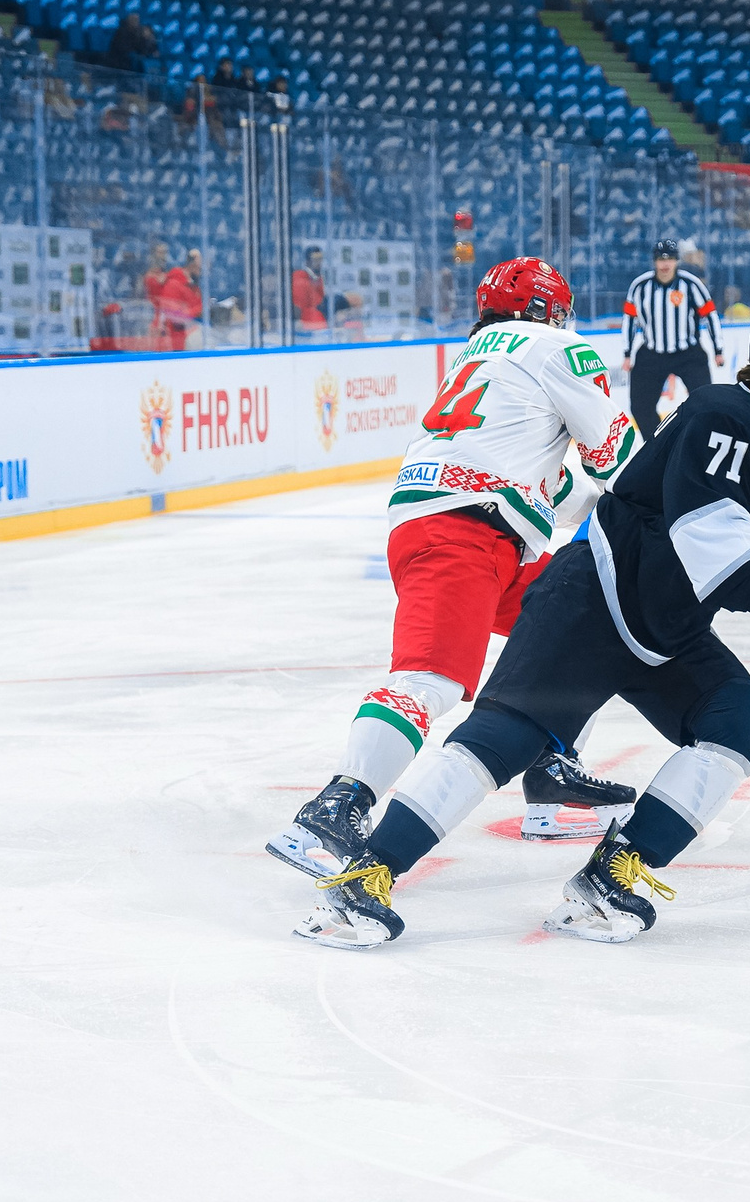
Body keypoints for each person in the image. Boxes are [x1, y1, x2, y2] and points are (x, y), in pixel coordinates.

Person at [297, 291, 750, 950]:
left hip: (664, 626)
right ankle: (364, 877)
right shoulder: (723, 414)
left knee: (746, 718)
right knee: (505, 739)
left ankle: (609, 876)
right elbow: (710, 540)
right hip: (592, 601)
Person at [269, 256, 642, 880]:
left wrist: (604, 500)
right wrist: (673, 488)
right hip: (463, 534)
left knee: (584, 630)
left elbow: (540, 480)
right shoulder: (557, 349)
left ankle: (550, 771)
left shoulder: (479, 356)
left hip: (469, 529)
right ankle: (335, 809)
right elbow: (618, 457)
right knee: (430, 681)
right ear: (550, 311)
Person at [620, 235, 723, 438]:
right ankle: (659, 443)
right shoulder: (640, 287)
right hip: (652, 352)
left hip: (688, 353)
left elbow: (710, 316)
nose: (665, 264)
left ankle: (699, 442)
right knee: (640, 406)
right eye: (661, 259)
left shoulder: (691, 284)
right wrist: (627, 353)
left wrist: (718, 350)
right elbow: (629, 321)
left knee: (707, 402)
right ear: (654, 261)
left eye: (670, 259)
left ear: (677, 261)